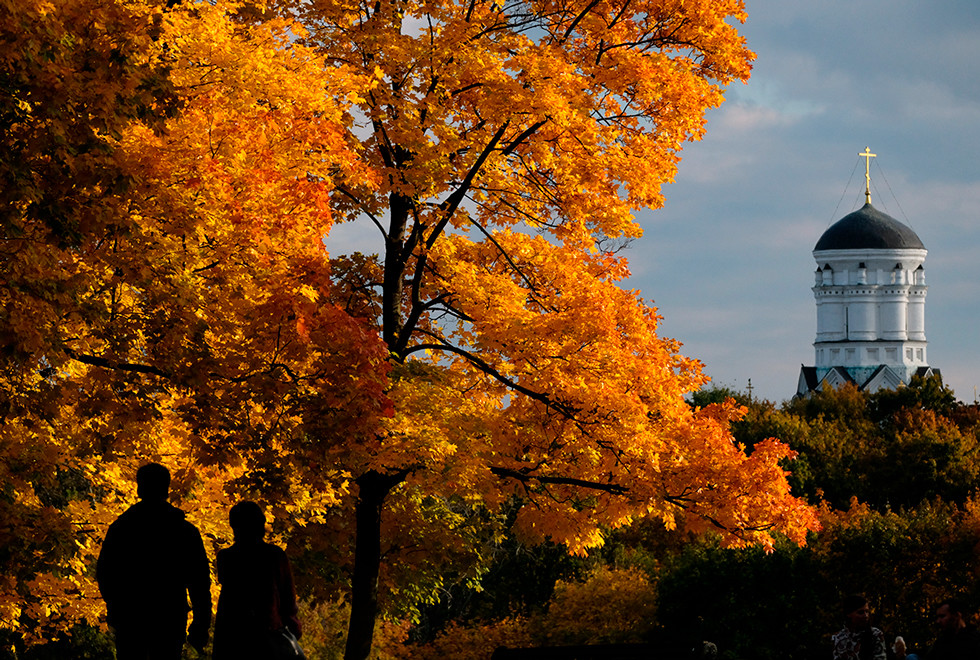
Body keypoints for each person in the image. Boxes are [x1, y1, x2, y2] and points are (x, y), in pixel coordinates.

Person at [96, 462, 211, 659]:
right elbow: (199, 580)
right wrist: (201, 621)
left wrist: (115, 605)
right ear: (166, 488)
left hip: (130, 615)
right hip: (169, 614)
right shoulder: (184, 531)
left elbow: (105, 573)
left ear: (139, 487)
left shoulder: (121, 529)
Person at [213, 500, 302, 660]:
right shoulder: (275, 555)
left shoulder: (226, 557)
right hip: (268, 632)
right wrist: (292, 624)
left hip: (232, 633)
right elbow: (287, 596)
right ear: (260, 524)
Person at [832, 594, 887, 660]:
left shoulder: (875, 634)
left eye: (867, 611)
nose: (866, 615)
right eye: (860, 612)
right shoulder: (839, 638)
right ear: (849, 614)